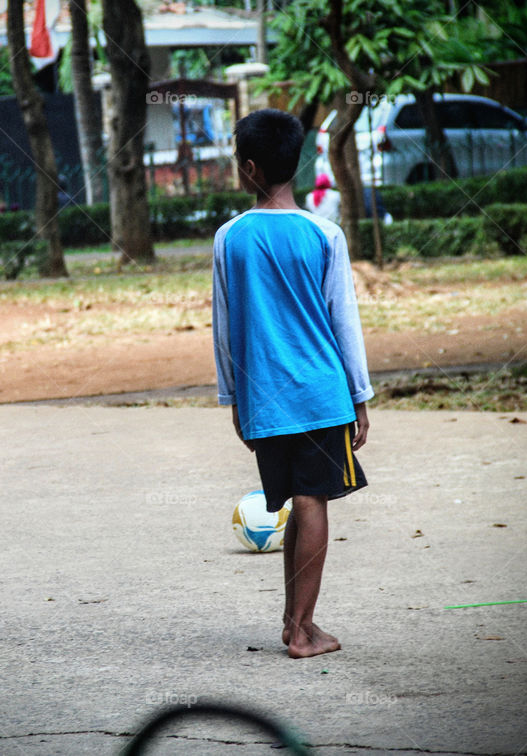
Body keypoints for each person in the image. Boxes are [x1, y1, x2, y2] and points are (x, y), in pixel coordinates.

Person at [212, 109, 373, 659]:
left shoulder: (229, 238)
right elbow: (342, 320)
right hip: (320, 395)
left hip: (266, 400)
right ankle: (304, 630)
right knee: (312, 505)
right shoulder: (323, 234)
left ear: (250, 168)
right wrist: (360, 396)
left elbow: (225, 326)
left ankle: (293, 621)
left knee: (295, 504)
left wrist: (232, 397)